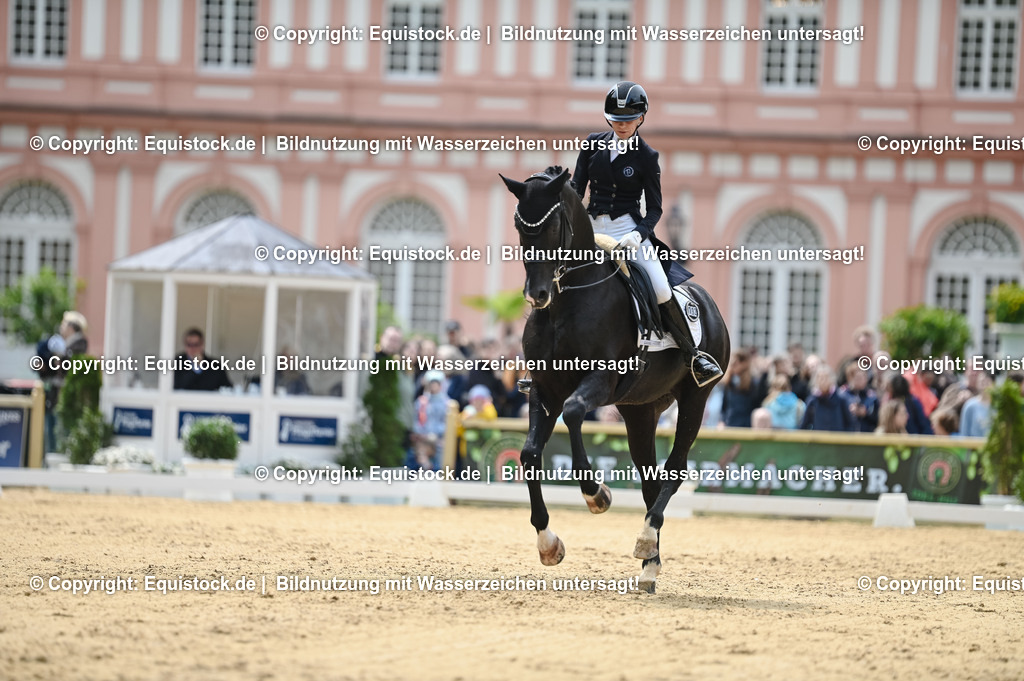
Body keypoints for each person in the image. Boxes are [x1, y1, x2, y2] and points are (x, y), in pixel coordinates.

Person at [571, 80, 721, 386]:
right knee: (556, 276)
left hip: (628, 230)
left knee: (661, 288)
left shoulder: (647, 156)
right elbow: (576, 189)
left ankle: (693, 355)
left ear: (640, 118)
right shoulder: (591, 145)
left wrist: (637, 236)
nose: (621, 125)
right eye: (615, 119)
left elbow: (655, 209)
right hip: (592, 228)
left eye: (627, 120)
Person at [34, 310, 89, 452]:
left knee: (59, 441)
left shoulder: (76, 347)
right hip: (55, 399)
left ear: (71, 327)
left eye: (63, 324)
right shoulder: (66, 346)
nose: (61, 327)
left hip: (64, 402)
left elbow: (67, 370)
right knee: (52, 437)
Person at [800, 366, 856, 432]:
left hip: (838, 440)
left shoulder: (841, 398)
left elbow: (850, 423)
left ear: (832, 379)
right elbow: (804, 425)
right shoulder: (812, 401)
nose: (823, 381)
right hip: (819, 440)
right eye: (820, 378)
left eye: (826, 378)